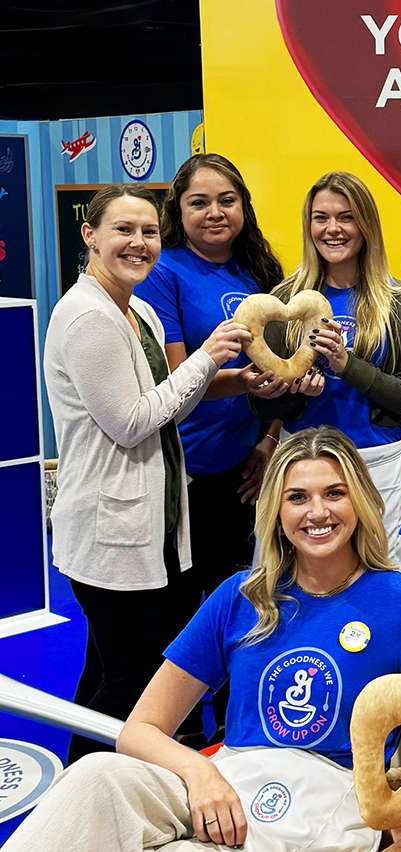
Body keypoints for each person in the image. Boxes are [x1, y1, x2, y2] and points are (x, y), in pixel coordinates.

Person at [4, 427, 401, 852]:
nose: (317, 512)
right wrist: (199, 770)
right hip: (230, 781)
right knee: (97, 774)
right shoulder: (241, 596)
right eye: (297, 497)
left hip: (334, 804)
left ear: (361, 502)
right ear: (276, 512)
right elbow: (140, 729)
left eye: (334, 493)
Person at [42, 184, 248, 765]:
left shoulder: (141, 311)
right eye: (123, 230)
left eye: (149, 232)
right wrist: (209, 357)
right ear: (90, 236)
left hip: (153, 525)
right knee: (130, 680)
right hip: (110, 530)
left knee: (109, 667)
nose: (138, 243)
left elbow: (168, 405)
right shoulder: (86, 317)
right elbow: (133, 423)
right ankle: (92, 787)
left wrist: (232, 381)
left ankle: (79, 776)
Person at [134, 153, 288, 740]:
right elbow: (178, 379)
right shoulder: (164, 271)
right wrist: (245, 381)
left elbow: (281, 373)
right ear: (179, 211)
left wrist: (268, 441)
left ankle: (236, 728)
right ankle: (179, 736)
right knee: (179, 611)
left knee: (243, 604)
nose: (215, 212)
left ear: (244, 206)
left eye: (227, 199)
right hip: (180, 474)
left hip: (245, 470)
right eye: (199, 202)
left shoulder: (261, 273)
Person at [249, 171, 401, 574]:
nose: (332, 229)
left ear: (365, 225)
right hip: (300, 461)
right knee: (292, 575)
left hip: (375, 462)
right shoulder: (283, 299)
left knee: (387, 576)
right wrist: (294, 394)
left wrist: (347, 366)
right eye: (321, 218)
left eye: (346, 217)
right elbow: (262, 409)